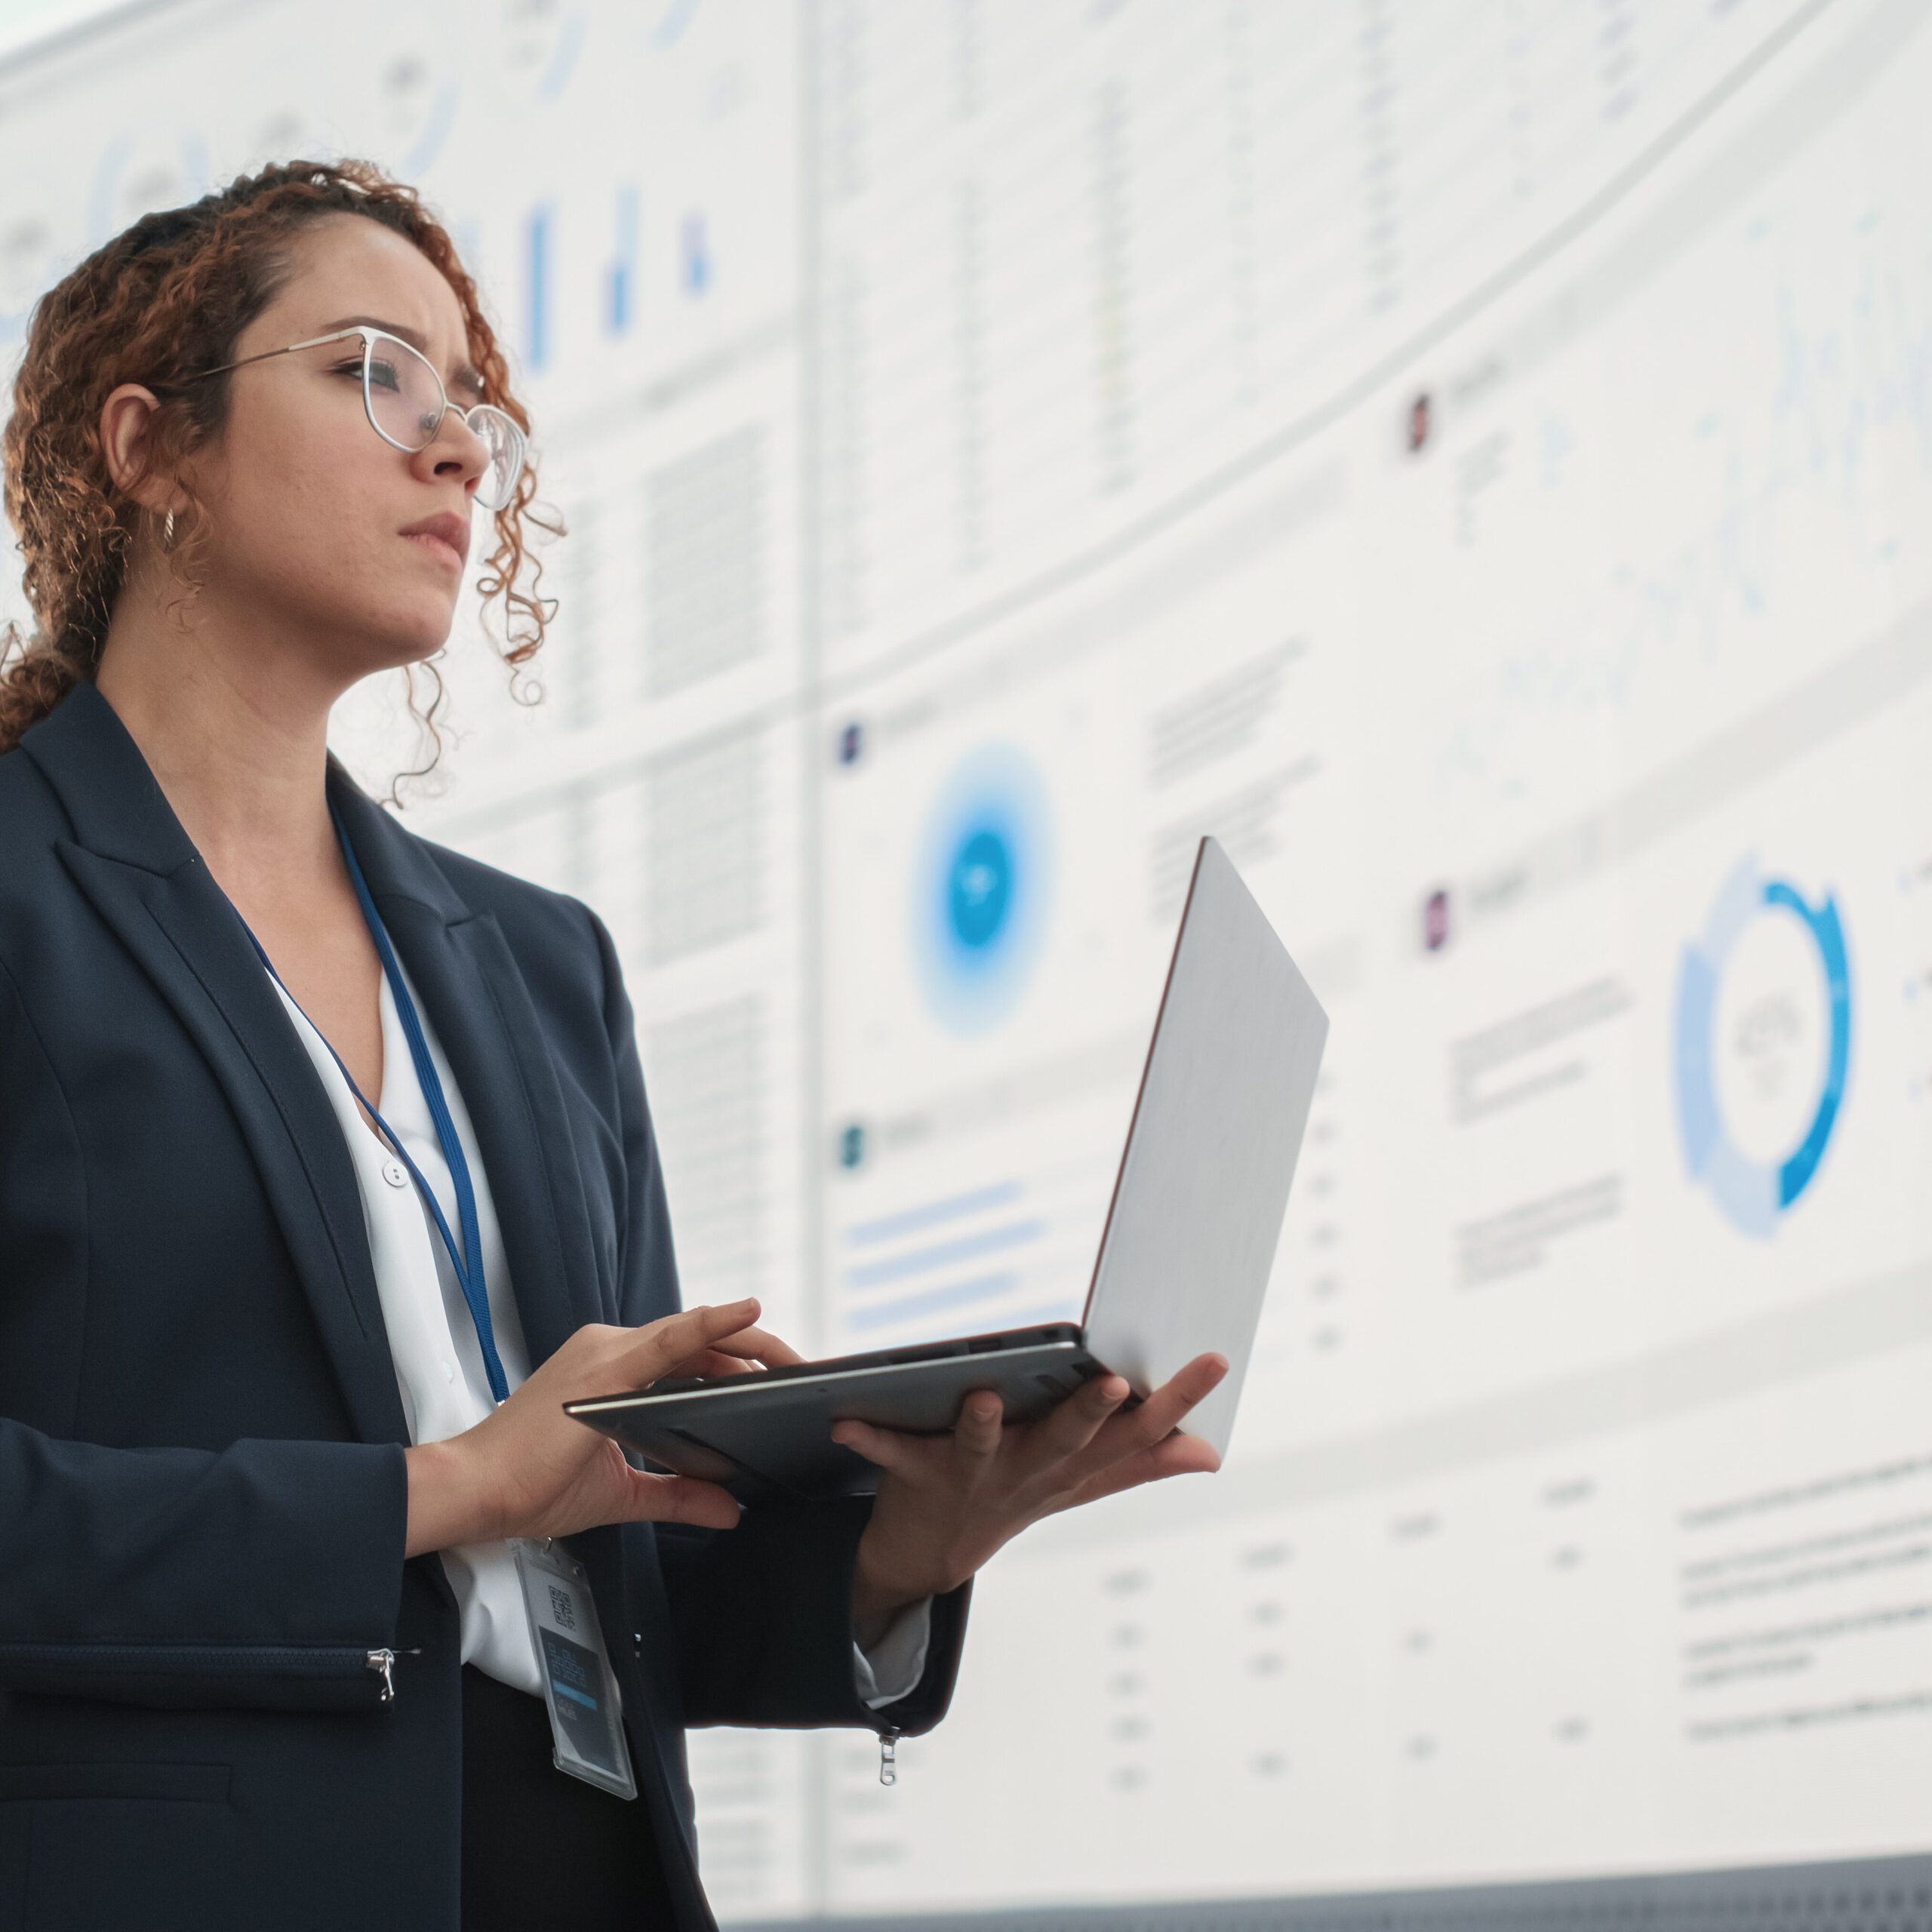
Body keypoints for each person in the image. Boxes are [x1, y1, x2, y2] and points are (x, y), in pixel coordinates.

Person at [0, 161, 1226, 1932]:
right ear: (149, 447)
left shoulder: (539, 964)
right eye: (372, 371)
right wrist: (441, 1488)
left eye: (468, 401)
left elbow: (637, 1576)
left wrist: (908, 1542)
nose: (455, 448)